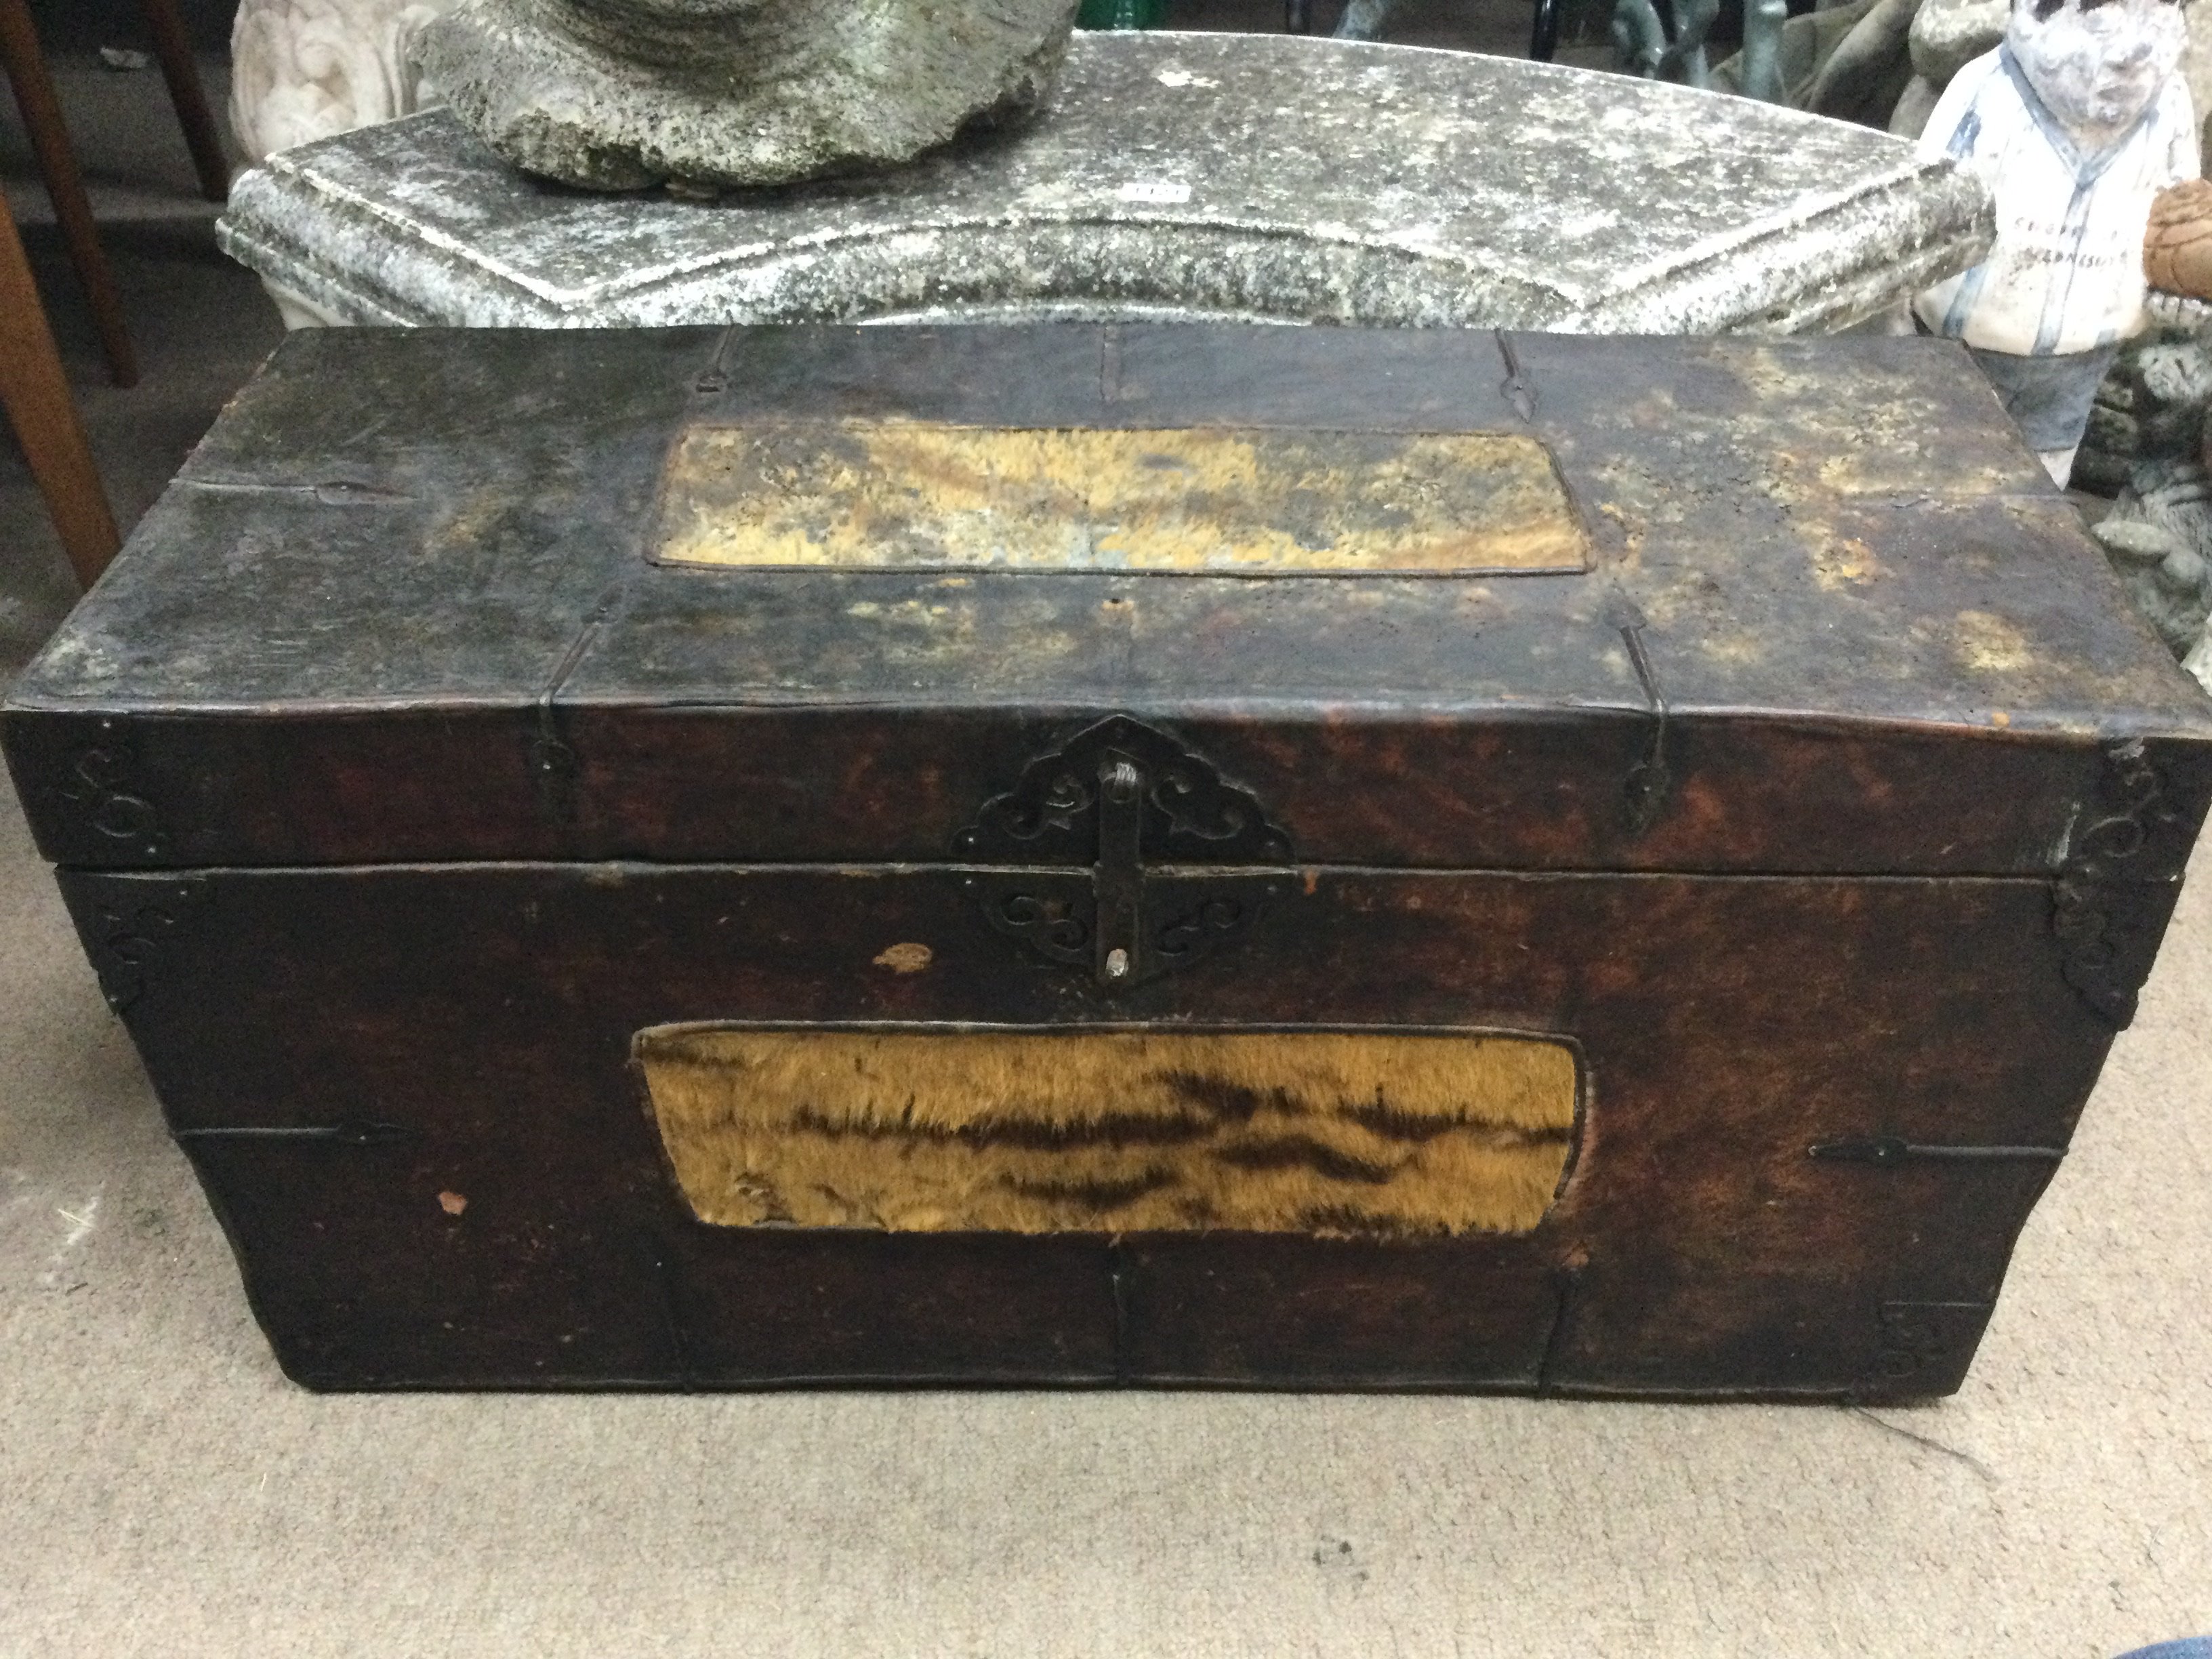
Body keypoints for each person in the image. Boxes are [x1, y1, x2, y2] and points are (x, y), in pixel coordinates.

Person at [1912, 0, 2198, 485]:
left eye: (2155, 14)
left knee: (2046, 469)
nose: (2134, 47)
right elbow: (1923, 212)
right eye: (2104, 16)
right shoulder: (1986, 89)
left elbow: (2180, 220)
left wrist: (2177, 289)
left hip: (2084, 344)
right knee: (1940, 458)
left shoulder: (2169, 105)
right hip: (1963, 341)